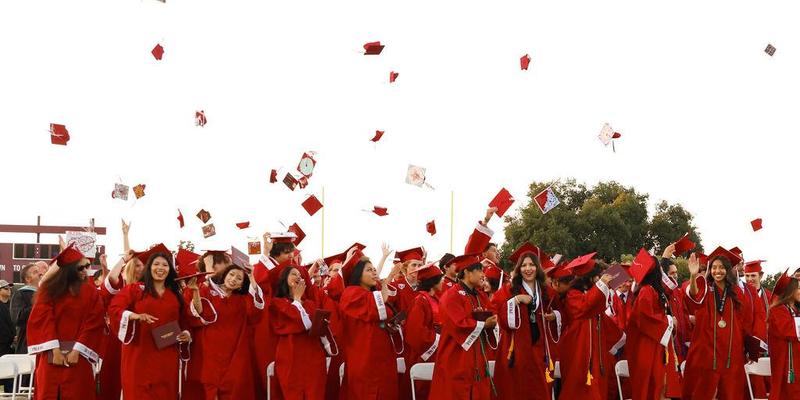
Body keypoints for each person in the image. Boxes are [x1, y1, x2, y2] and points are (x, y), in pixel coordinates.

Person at [108, 247, 196, 399]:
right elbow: (115, 308)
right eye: (156, 264)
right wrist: (133, 316)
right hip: (140, 353)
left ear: (170, 269)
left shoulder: (175, 295)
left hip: (166, 355)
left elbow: (185, 321)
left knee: (165, 393)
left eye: (165, 265)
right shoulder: (135, 290)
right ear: (149, 268)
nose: (160, 268)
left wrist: (186, 334)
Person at [26, 244, 105, 399]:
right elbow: (43, 320)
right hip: (50, 357)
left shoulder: (90, 292)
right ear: (68, 269)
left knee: (77, 392)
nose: (85, 271)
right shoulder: (49, 291)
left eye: (87, 267)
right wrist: (54, 350)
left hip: (78, 357)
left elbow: (94, 322)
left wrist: (77, 350)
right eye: (80, 268)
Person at [682, 248, 752, 400]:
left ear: (728, 270)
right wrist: (693, 275)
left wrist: (748, 346)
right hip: (707, 349)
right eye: (714, 267)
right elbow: (694, 294)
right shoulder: (706, 287)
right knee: (703, 390)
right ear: (709, 270)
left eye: (721, 268)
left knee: (730, 391)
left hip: (730, 352)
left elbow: (744, 321)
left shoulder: (736, 293)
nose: (717, 271)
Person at [491, 243, 555, 400]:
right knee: (516, 389)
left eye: (532, 265)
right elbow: (496, 311)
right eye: (524, 265)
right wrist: (516, 300)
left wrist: (555, 316)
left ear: (537, 268)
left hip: (539, 349)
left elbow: (561, 310)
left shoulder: (546, 291)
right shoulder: (508, 289)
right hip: (515, 349)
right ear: (519, 269)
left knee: (538, 389)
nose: (528, 269)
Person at [429, 254, 498, 400]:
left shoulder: (481, 296)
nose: (483, 275)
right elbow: (458, 324)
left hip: (477, 359)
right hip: (456, 359)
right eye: (479, 270)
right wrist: (483, 324)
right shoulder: (451, 296)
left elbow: (493, 314)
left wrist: (492, 321)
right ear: (467, 272)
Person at [193, 263, 265, 399]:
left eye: (239, 278)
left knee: (234, 388)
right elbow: (199, 312)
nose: (233, 279)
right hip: (211, 350)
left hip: (235, 352)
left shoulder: (242, 301)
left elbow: (256, 313)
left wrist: (251, 277)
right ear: (224, 275)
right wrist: (196, 291)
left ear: (240, 285)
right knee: (210, 388)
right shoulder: (208, 292)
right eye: (231, 274)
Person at [339, 247, 402, 400]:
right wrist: (386, 281)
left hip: (383, 355)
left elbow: (382, 314)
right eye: (369, 270)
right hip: (364, 356)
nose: (374, 272)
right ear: (357, 274)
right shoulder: (351, 293)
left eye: (374, 269)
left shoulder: (371, 294)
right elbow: (376, 305)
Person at [557, 253, 613, 400]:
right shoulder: (572, 294)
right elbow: (585, 306)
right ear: (588, 277)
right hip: (578, 348)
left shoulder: (587, 292)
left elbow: (598, 307)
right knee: (578, 388)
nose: (598, 279)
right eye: (596, 276)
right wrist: (601, 284)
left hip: (594, 349)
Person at [271, 263, 329, 400]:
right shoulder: (277, 302)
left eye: (300, 275)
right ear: (285, 279)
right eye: (293, 274)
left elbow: (314, 327)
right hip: (290, 355)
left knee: (315, 393)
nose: (298, 276)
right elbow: (294, 319)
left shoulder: (310, 304)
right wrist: (296, 299)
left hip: (313, 355)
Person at [626, 252, 677, 400]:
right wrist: (669, 321)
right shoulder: (646, 291)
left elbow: (670, 289)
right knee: (655, 385)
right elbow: (644, 318)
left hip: (656, 343)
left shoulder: (653, 290)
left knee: (660, 385)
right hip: (649, 346)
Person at [404, 262, 445, 400]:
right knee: (424, 392)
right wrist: (439, 339)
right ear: (433, 282)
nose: (443, 281)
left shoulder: (436, 299)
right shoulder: (419, 301)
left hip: (438, 352)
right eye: (441, 278)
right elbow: (415, 331)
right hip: (424, 354)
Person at [766, 270, 800, 399]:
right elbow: (790, 332)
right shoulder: (778, 310)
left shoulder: (795, 310)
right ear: (789, 292)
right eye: (799, 288)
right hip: (786, 364)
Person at [11, 261, 45, 354]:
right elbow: (18, 318)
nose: (40, 273)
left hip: (46, 343)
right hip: (27, 344)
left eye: (39, 271)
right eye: (35, 272)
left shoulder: (48, 294)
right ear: (28, 279)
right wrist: (39, 302)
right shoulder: (20, 294)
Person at [0, 280, 15, 393]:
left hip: (11, 348)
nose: (9, 290)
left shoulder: (12, 304)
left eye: (9, 288)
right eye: (6, 288)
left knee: (10, 378)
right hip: (2, 346)